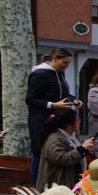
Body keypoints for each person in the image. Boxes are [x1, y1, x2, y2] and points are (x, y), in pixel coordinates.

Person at [26, 48, 79, 180]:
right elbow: (30, 99)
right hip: (41, 121)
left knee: (58, 151)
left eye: (68, 63)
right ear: (54, 58)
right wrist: (52, 105)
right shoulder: (39, 74)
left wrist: (73, 101)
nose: (66, 66)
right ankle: (37, 185)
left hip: (57, 120)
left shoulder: (60, 73)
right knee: (40, 153)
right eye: (65, 62)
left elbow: (62, 95)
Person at [35, 108, 96, 190]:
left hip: (70, 183)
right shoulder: (54, 139)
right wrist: (82, 149)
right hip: (56, 188)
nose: (79, 121)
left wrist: (87, 150)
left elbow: (76, 154)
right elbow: (61, 159)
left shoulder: (71, 136)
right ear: (68, 126)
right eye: (77, 120)